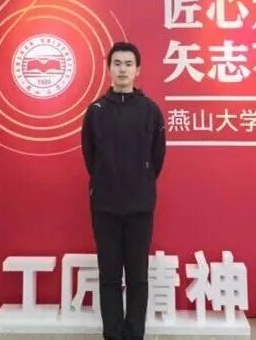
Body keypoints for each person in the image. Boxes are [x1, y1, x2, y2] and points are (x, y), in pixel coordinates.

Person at [81, 41, 167, 340]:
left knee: (137, 277)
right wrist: (107, 180)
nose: (122, 69)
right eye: (117, 63)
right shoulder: (96, 111)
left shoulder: (150, 111)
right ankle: (113, 334)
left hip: (140, 206)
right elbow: (90, 157)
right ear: (109, 68)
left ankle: (134, 334)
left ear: (138, 70)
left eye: (128, 64)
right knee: (109, 276)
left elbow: (157, 157)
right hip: (104, 206)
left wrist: (140, 181)